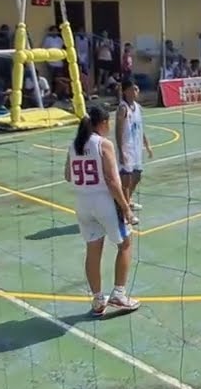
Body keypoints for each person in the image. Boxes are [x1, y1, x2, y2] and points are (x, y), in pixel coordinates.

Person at [64, 105, 141, 316]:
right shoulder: (103, 144)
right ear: (103, 123)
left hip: (82, 203)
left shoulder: (74, 144)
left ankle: (98, 300)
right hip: (103, 202)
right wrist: (127, 209)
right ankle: (119, 293)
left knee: (93, 250)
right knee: (125, 244)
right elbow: (112, 181)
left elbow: (68, 175)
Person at [115, 79, 153, 224]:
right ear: (125, 91)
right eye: (132, 89)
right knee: (126, 180)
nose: (135, 92)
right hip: (127, 148)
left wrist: (147, 145)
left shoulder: (137, 107)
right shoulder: (122, 109)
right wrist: (121, 150)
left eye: (136, 89)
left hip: (137, 148)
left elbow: (140, 128)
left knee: (137, 177)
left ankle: (127, 201)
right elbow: (118, 131)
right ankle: (125, 212)